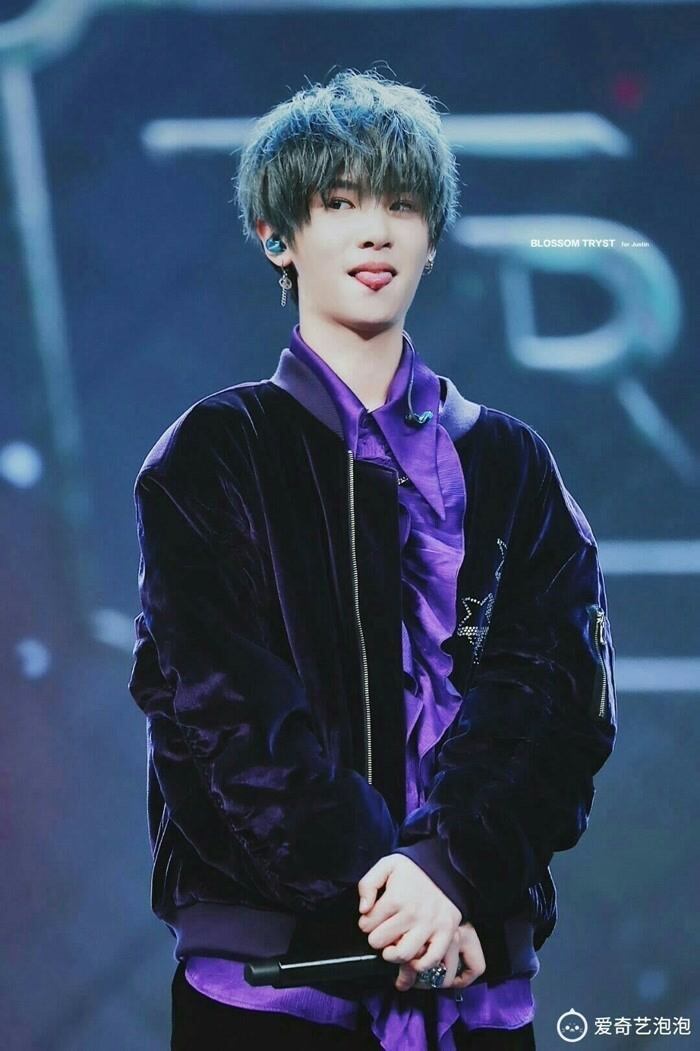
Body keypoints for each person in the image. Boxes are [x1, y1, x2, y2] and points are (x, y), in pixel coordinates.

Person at [128, 69, 618, 1051]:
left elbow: (556, 699)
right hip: (273, 985)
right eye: (340, 203)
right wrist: (390, 897)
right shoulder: (216, 453)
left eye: (401, 205)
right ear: (277, 235)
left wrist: (451, 868)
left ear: (432, 238)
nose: (376, 231)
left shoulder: (511, 463)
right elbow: (220, 716)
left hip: (474, 967)